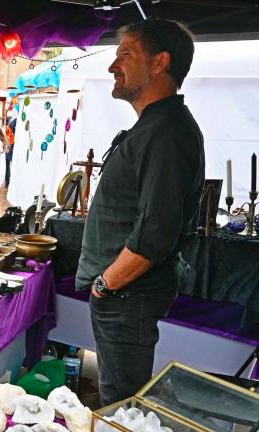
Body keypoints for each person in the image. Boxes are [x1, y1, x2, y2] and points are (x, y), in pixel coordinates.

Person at [76, 19, 204, 405]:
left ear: (160, 63)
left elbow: (155, 233)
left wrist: (105, 285)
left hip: (126, 297)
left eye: (125, 54)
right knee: (118, 395)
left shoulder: (165, 132)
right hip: (123, 296)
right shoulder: (154, 127)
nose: (114, 66)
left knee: (122, 406)